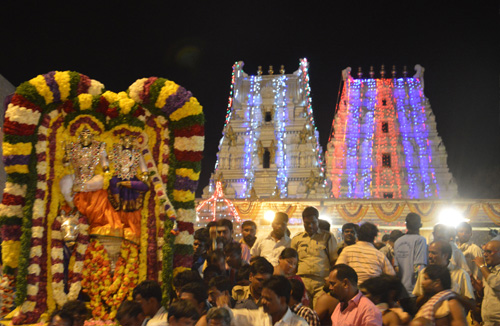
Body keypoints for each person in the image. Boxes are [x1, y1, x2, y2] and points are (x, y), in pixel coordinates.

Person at [291, 206, 337, 306]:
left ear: (318, 221)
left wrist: (330, 280)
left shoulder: (328, 237)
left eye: (314, 223)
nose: (310, 226)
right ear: (303, 222)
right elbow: (292, 263)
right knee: (303, 312)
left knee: (318, 312)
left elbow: (334, 261)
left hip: (321, 282)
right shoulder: (296, 239)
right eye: (307, 223)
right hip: (302, 282)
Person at [413, 241, 475, 311]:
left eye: (434, 253)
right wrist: (427, 292)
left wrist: (451, 294)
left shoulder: (461, 274)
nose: (429, 256)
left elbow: (471, 303)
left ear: (445, 255)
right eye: (429, 252)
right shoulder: (424, 273)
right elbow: (417, 303)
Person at [228, 275, 308, 326]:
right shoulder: (259, 315)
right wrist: (223, 308)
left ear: (282, 300)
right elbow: (234, 315)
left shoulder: (299, 324)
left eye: (268, 299)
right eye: (262, 297)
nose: (263, 301)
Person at [394, 212, 427, 295]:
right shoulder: (420, 240)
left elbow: (396, 268)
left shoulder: (398, 241)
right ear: (420, 225)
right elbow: (419, 266)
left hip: (401, 290)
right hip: (414, 290)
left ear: (406, 225)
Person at [473, 240, 500, 325]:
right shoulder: (489, 271)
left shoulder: (486, 271)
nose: (484, 255)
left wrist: (481, 266)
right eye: (484, 251)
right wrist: (480, 291)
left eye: (489, 252)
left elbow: (496, 283)